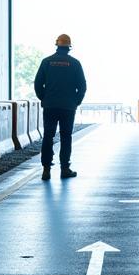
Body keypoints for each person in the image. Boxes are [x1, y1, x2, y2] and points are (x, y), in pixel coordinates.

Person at [35, 34, 86, 180]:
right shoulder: (75, 63)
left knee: (48, 136)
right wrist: (76, 102)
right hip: (68, 107)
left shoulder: (47, 62)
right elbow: (82, 86)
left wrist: (44, 98)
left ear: (57, 46)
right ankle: (65, 169)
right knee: (66, 137)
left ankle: (46, 170)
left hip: (50, 106)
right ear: (69, 48)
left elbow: (38, 84)